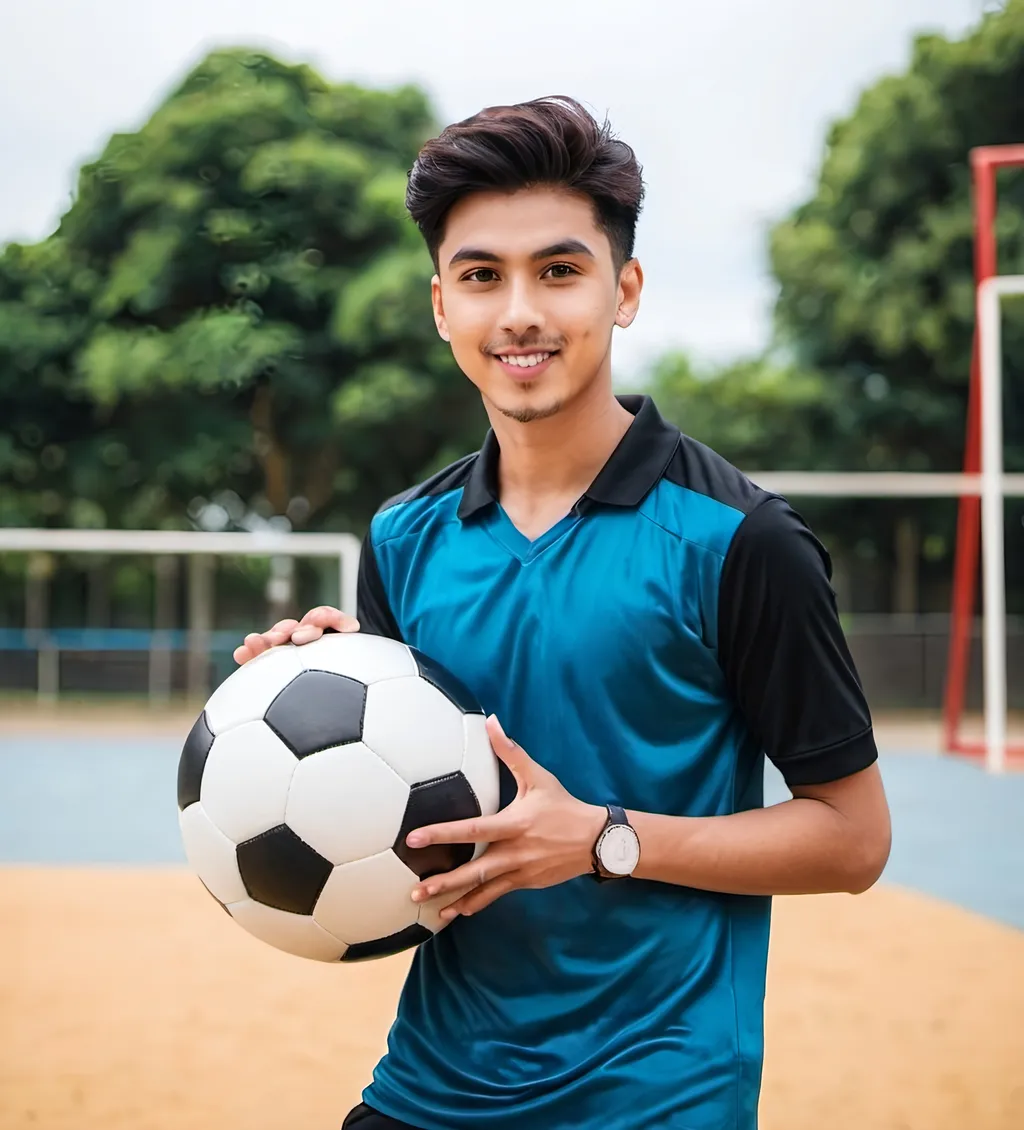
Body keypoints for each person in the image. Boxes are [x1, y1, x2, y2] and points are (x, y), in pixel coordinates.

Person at [233, 96, 892, 1130]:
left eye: (559, 270)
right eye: (481, 276)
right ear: (440, 305)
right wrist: (316, 687)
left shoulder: (740, 542)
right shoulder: (404, 538)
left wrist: (600, 839)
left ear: (622, 289)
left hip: (656, 1091)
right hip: (434, 1080)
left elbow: (852, 840)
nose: (520, 313)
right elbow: (412, 800)